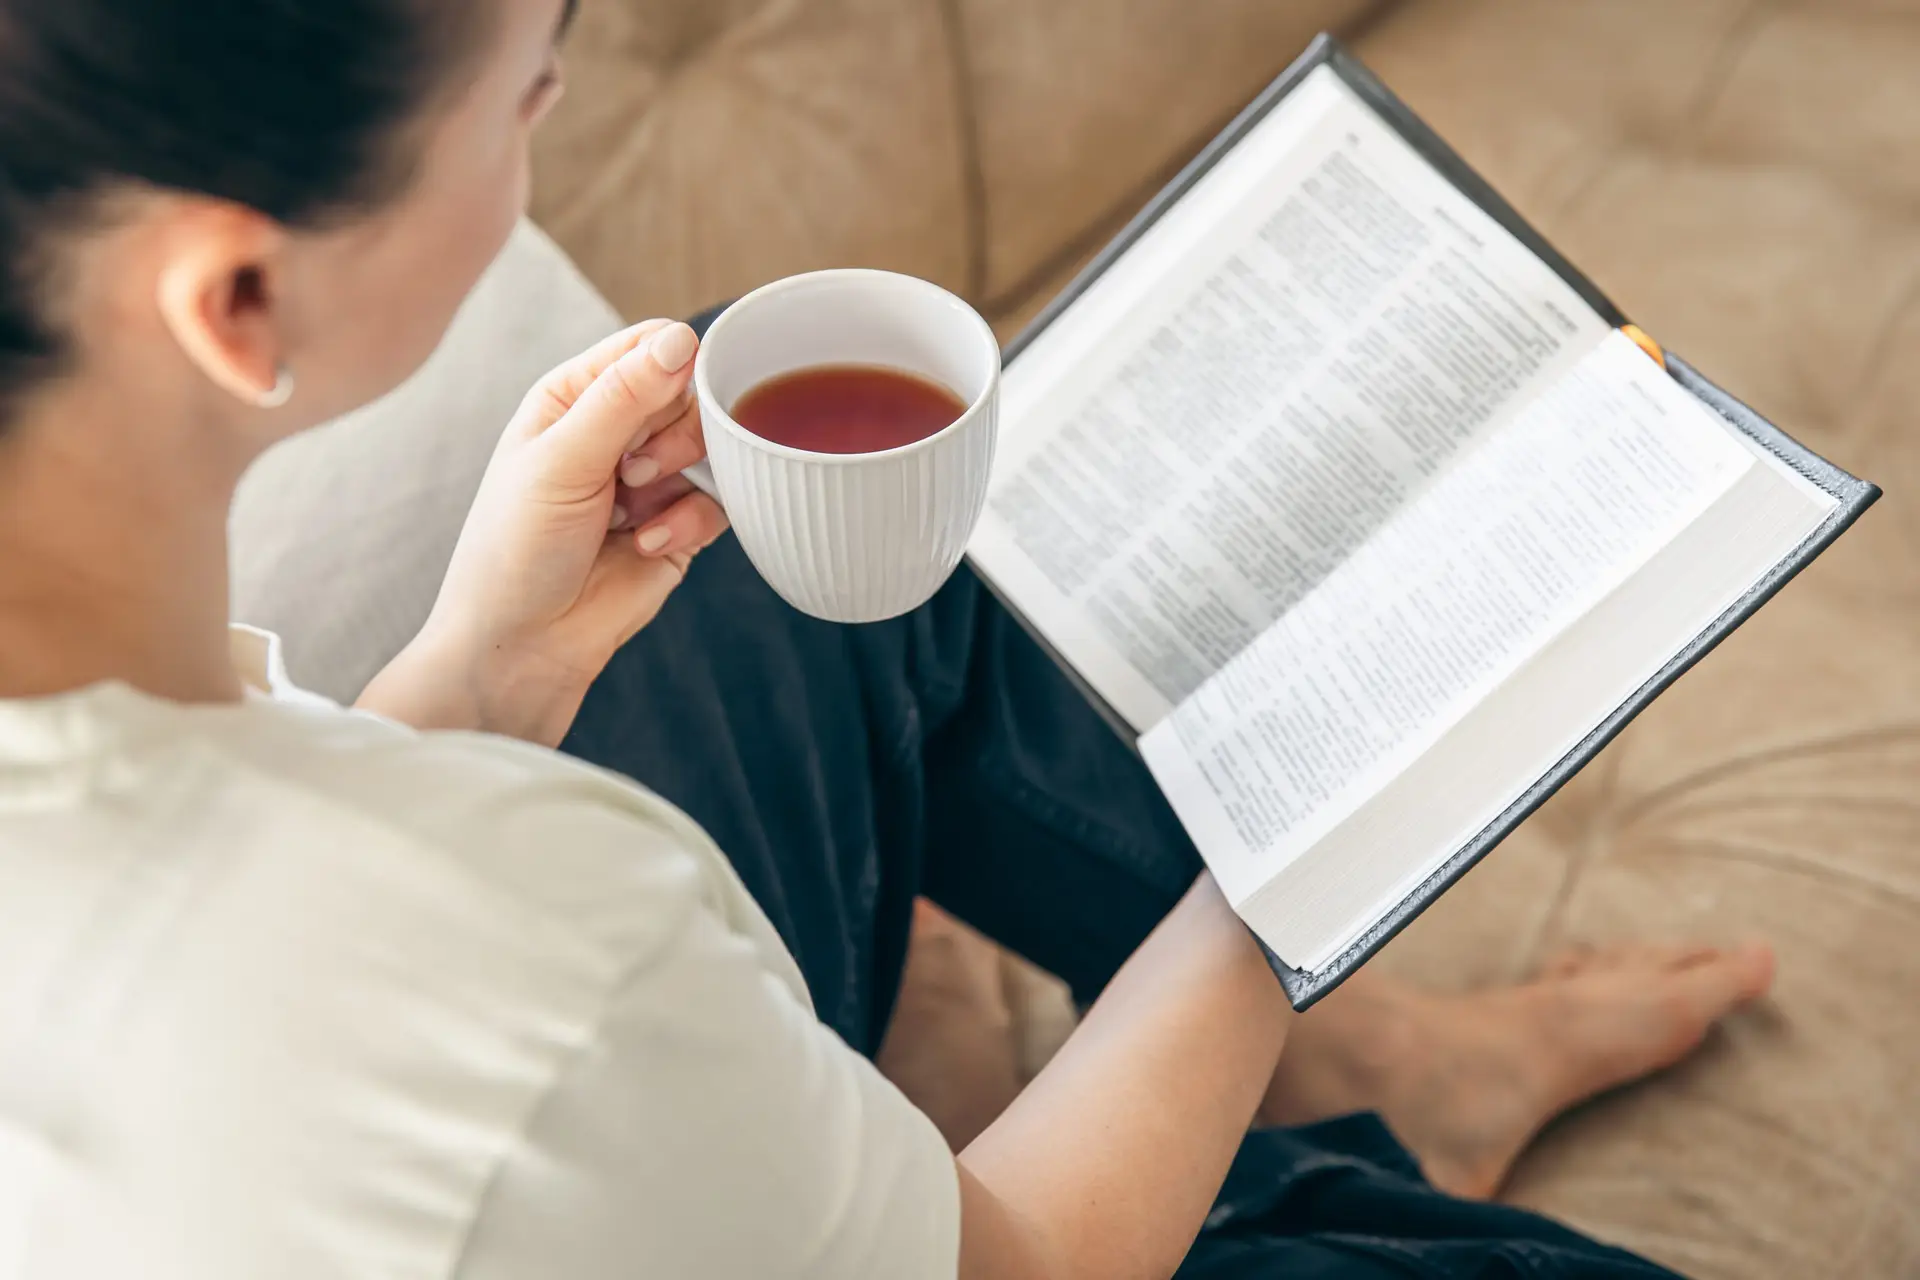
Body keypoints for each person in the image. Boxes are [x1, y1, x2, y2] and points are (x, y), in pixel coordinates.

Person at [0, 0, 1775, 1275]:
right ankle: (1271, 1154)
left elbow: (307, 894)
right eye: (523, 100)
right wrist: (1297, 845)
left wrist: (484, 665)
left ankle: (1373, 1069)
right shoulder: (553, 955)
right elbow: (1028, 1261)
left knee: (791, 472)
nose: (546, 113)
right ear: (241, 300)